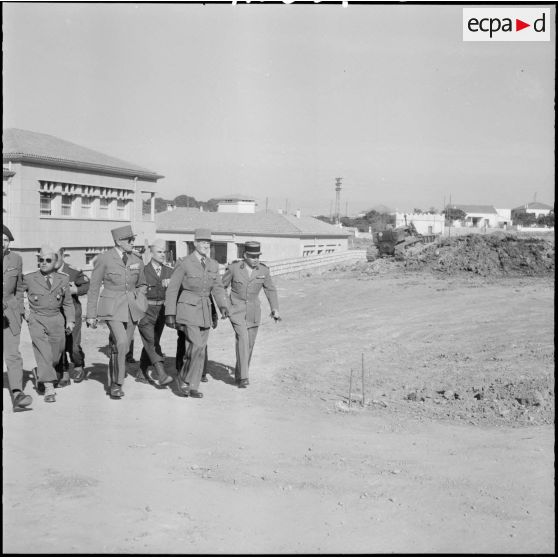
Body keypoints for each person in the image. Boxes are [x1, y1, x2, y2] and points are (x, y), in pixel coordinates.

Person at [165, 228, 229, 398]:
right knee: (197, 345)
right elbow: (172, 289)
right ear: (194, 243)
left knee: (198, 349)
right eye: (202, 242)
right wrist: (170, 313)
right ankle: (184, 378)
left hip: (205, 310)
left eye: (208, 243)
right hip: (187, 308)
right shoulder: (184, 262)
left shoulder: (213, 264)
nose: (205, 246)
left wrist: (223, 306)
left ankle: (193, 385)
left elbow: (217, 287)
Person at [85, 225, 147, 399]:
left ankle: (115, 370)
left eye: (133, 239)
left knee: (124, 346)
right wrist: (91, 315)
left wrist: (140, 300)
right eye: (130, 240)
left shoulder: (136, 259)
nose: (133, 243)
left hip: (131, 309)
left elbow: (142, 284)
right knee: (121, 343)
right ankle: (116, 384)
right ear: (118, 241)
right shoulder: (104, 259)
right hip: (111, 308)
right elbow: (94, 287)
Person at [222, 241, 280, 388]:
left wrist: (275, 309)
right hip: (237, 310)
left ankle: (240, 373)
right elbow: (221, 287)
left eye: (258, 256)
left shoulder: (263, 271)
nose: (256, 259)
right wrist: (226, 306)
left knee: (249, 344)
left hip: (254, 312)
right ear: (245, 255)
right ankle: (244, 377)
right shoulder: (234, 268)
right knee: (243, 338)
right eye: (252, 256)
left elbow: (270, 289)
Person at [23, 245, 75, 403]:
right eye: (41, 260)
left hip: (56, 320)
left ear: (55, 262)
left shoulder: (63, 278)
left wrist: (70, 320)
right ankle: (49, 388)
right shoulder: (30, 278)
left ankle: (41, 372)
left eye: (47, 260)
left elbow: (67, 303)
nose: (43, 263)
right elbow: (17, 296)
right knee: (44, 353)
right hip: (37, 319)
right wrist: (25, 313)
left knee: (55, 355)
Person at [3, 224, 33, 411]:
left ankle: (17, 393)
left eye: (5, 240)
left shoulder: (16, 259)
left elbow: (19, 287)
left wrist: (20, 310)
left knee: (13, 354)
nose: (2, 243)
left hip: (10, 312)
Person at [137, 238, 173, 386]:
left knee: (152, 341)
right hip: (146, 311)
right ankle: (162, 374)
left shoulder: (170, 272)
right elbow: (137, 293)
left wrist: (170, 286)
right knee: (151, 341)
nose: (162, 254)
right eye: (159, 251)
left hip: (162, 312)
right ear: (151, 253)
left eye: (164, 252)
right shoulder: (143, 271)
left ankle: (141, 372)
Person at [55, 248, 90, 386]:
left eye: (56, 256)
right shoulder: (47, 270)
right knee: (60, 344)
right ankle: (64, 372)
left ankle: (78, 364)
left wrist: (76, 290)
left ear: (63, 255)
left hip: (73, 311)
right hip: (56, 313)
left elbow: (87, 285)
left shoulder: (73, 271)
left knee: (74, 345)